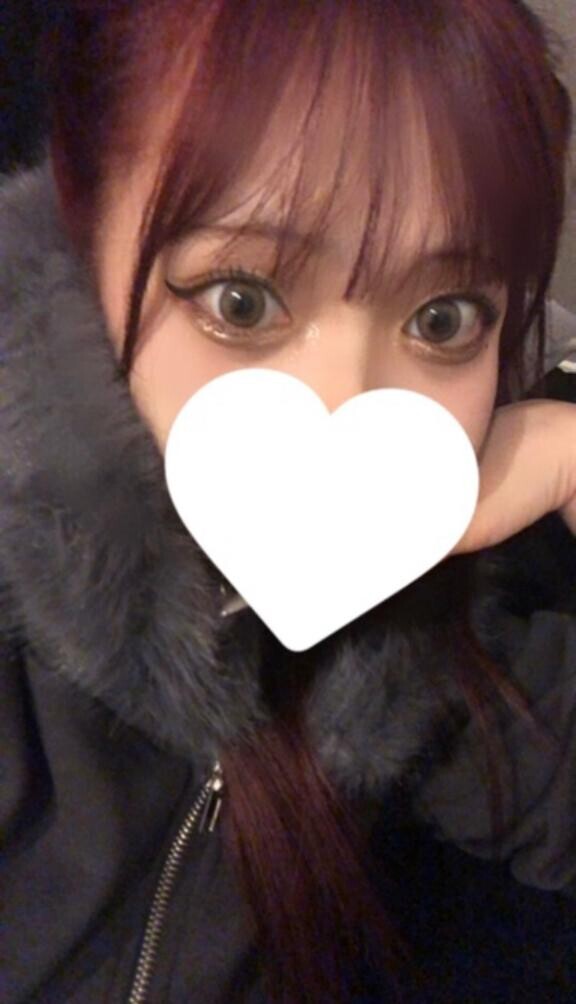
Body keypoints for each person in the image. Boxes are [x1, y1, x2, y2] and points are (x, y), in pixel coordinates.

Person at [1, 1, 575, 1001]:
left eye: (443, 319)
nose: (348, 404)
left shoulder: (423, 634)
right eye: (242, 300)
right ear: (84, 242)